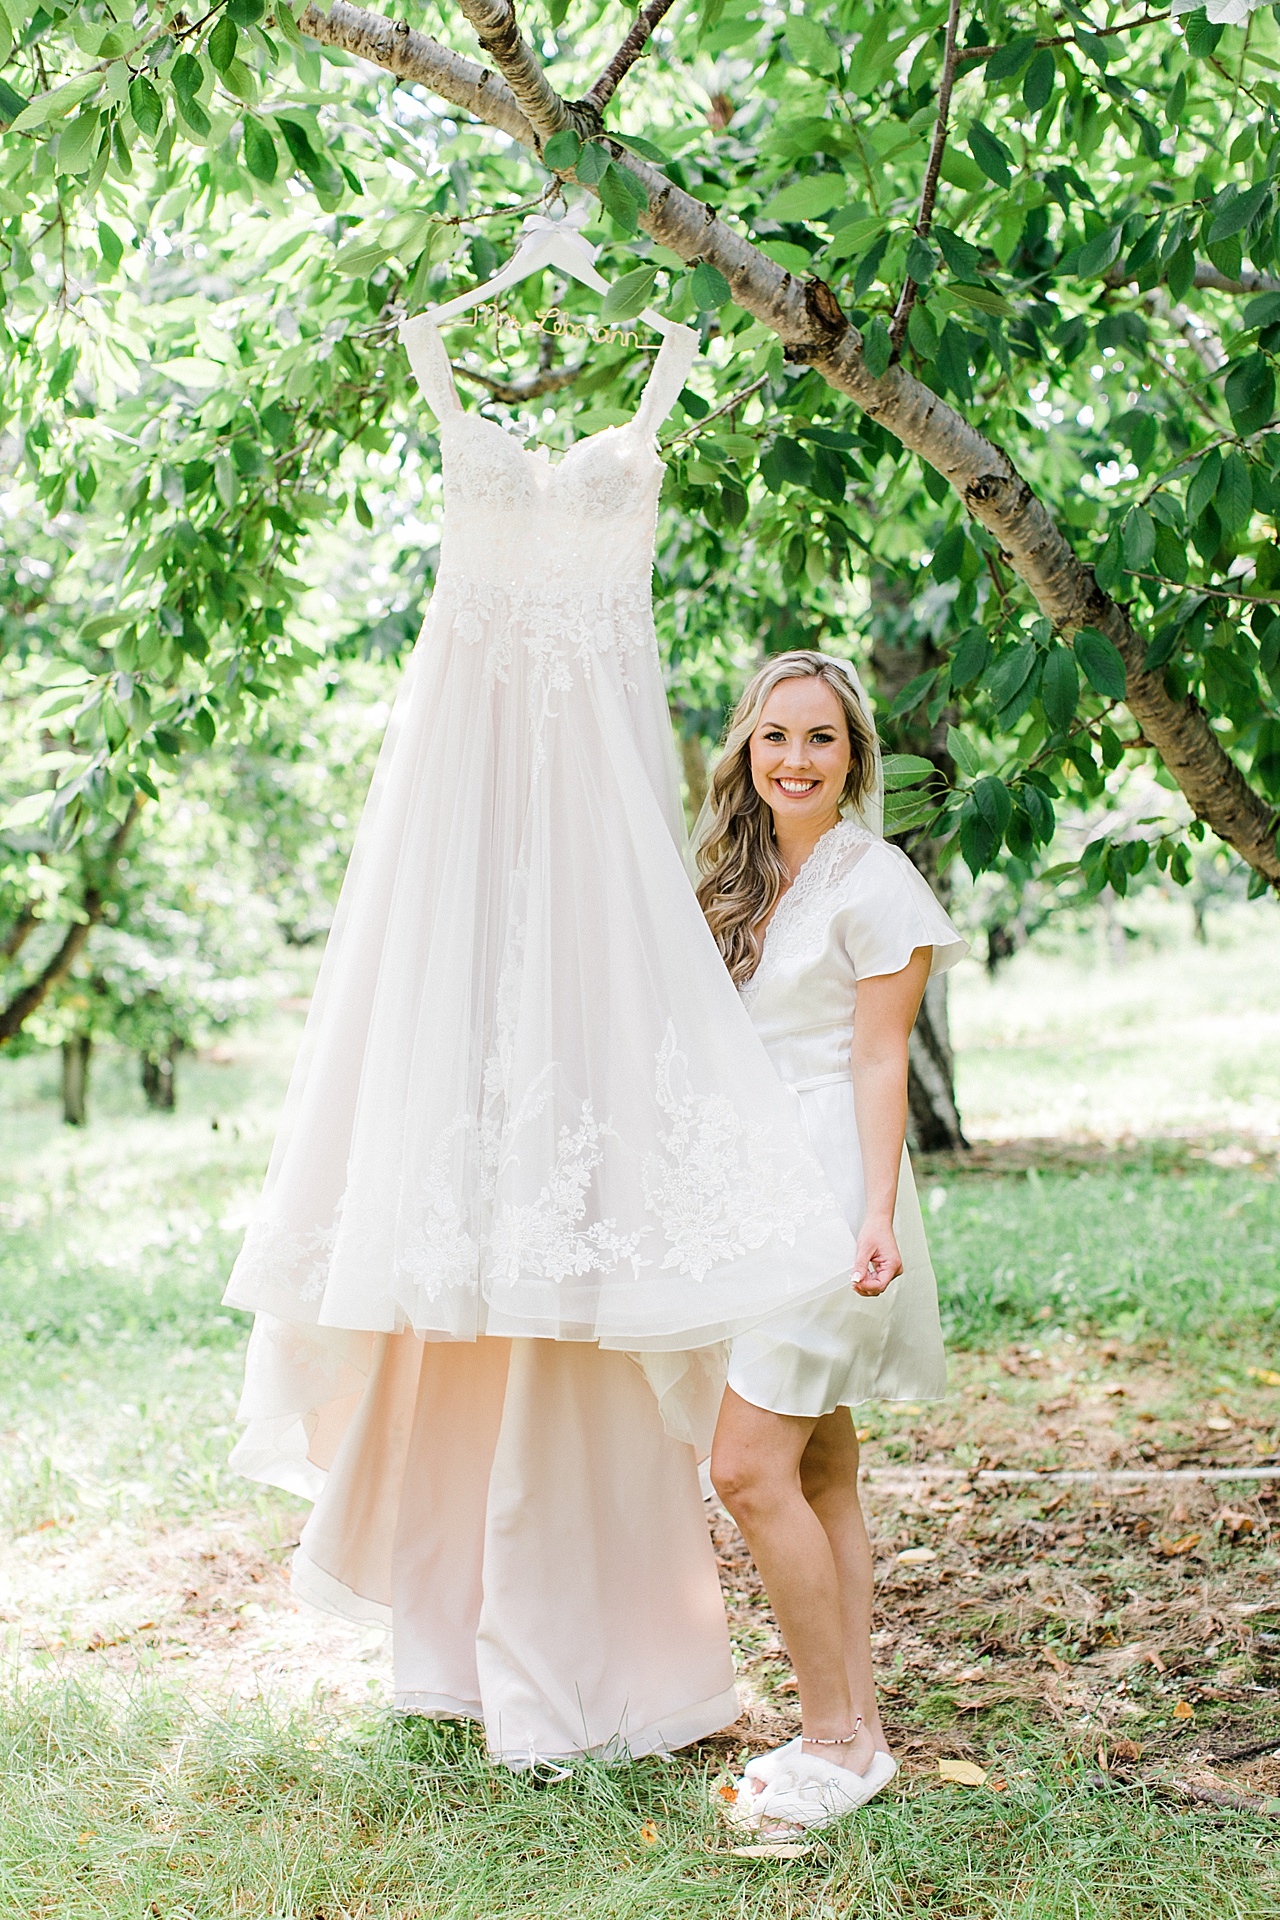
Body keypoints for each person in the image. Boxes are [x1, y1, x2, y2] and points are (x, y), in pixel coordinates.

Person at [221, 315, 861, 1768]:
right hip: (468, 791)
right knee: (462, 1160)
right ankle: (464, 1632)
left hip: (595, 802)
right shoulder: (440, 376)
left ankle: (599, 1633)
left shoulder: (662, 380)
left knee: (587, 1163)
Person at [695, 651, 966, 1832]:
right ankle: (859, 1730)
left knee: (745, 1467)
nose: (794, 759)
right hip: (743, 1191)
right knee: (815, 1466)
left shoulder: (877, 880)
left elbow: (872, 1057)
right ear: (745, 750)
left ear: (853, 753)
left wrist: (869, 1210)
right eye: (773, 737)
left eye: (819, 737)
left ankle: (830, 1738)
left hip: (827, 1188)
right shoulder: (731, 875)